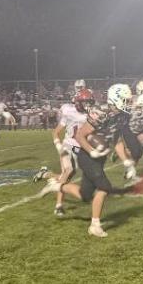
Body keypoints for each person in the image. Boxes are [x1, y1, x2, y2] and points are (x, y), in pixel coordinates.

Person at [43, 83, 133, 237]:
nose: (128, 102)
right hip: (87, 155)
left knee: (85, 195)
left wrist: (126, 162)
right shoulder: (101, 113)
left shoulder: (122, 116)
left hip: (99, 158)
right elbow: (80, 136)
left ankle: (57, 186)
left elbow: (117, 141)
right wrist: (92, 151)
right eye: (125, 99)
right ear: (116, 98)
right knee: (105, 187)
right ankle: (95, 225)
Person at [48, 88, 94, 217]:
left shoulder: (90, 115)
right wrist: (59, 147)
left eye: (89, 102)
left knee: (71, 173)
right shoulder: (69, 112)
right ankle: (59, 205)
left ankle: (47, 175)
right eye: (85, 102)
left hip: (81, 148)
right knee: (68, 170)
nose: (87, 105)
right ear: (79, 102)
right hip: (68, 145)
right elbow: (55, 132)